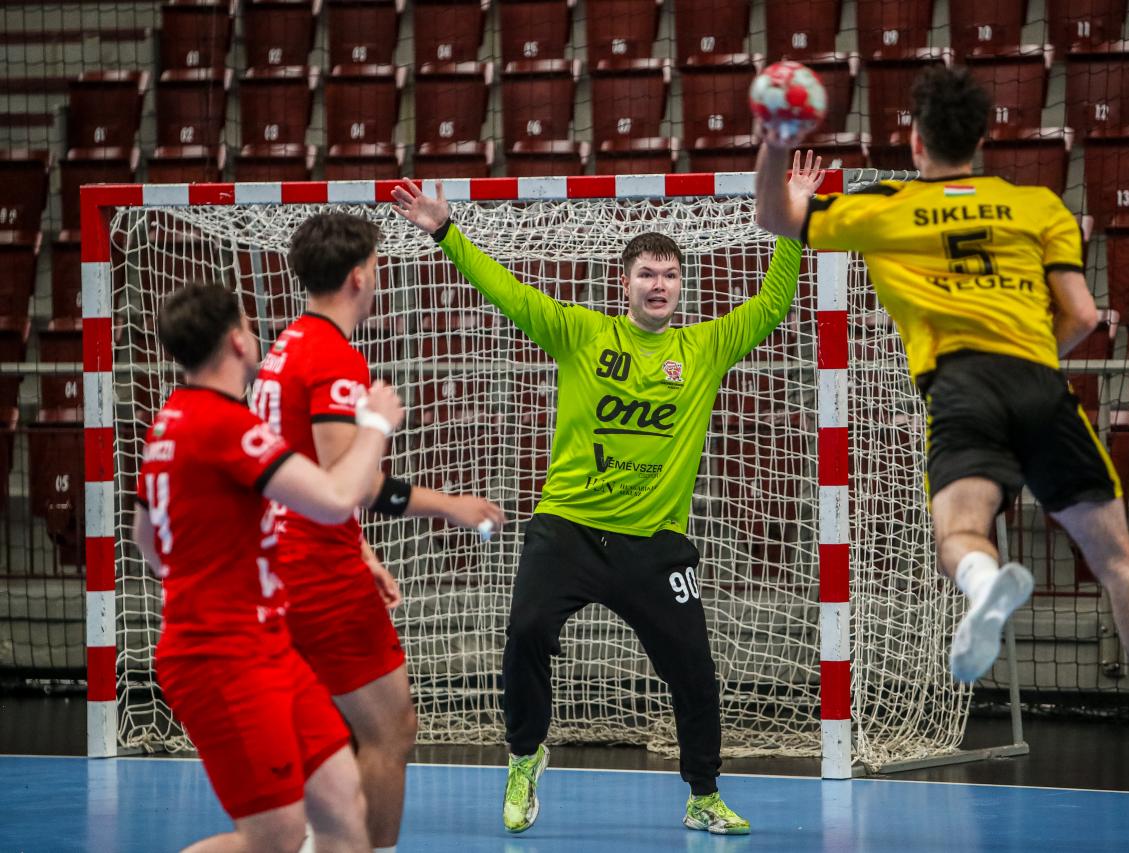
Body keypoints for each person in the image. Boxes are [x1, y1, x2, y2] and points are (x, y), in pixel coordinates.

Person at [753, 66, 1129, 765]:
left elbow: (774, 217)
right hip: (1041, 383)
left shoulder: (882, 208)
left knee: (960, 530)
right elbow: (1084, 315)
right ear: (980, 140)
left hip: (962, 387)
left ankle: (985, 586)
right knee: (1117, 562)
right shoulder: (1036, 204)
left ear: (915, 142)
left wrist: (777, 142)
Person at [388, 154, 825, 835]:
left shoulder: (705, 347)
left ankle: (703, 795)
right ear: (624, 283)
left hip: (654, 545)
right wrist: (447, 232)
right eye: (647, 273)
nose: (659, 284)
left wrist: (793, 225)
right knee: (526, 631)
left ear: (682, 285)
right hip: (568, 528)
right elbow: (510, 294)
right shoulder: (583, 333)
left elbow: (772, 306)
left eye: (670, 274)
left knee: (695, 671)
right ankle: (525, 756)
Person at [251, 212, 507, 853]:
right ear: (361, 276)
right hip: (317, 569)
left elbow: (305, 469)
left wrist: (361, 549)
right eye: (377, 263)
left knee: (335, 732)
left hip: (285, 558)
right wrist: (450, 505)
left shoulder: (286, 345)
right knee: (391, 732)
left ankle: (323, 841)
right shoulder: (332, 355)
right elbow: (353, 482)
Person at [132, 283, 406, 852]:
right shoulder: (224, 425)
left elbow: (148, 542)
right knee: (273, 838)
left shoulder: (168, 423)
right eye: (248, 325)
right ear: (237, 340)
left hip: (266, 645)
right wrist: (375, 426)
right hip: (222, 657)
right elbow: (335, 498)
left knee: (343, 805)